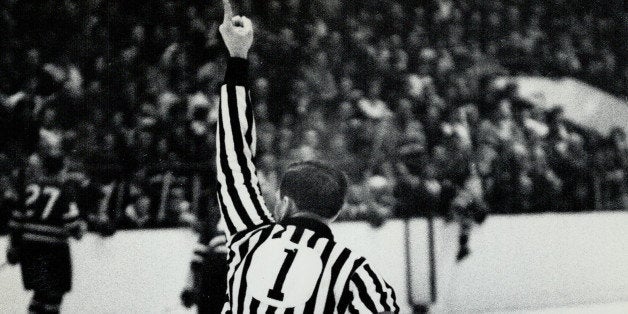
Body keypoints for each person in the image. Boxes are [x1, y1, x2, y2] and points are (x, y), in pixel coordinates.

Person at [215, 1, 398, 313]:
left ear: (285, 205)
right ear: (335, 213)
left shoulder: (250, 235)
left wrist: (237, 58)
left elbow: (234, 157)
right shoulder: (355, 273)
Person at [5, 152, 86, 314]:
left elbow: (15, 222)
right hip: (53, 251)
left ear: (43, 169)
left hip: (29, 250)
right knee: (53, 297)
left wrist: (13, 248)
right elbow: (74, 228)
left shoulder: (29, 189)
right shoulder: (64, 191)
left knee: (39, 295)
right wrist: (83, 226)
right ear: (62, 170)